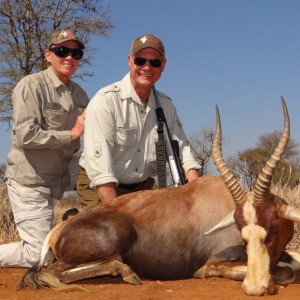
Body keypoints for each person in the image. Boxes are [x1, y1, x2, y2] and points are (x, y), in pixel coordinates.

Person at [77, 33, 201, 207]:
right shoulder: (106, 100)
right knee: (112, 232)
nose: (147, 67)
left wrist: (197, 193)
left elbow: (184, 153)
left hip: (142, 189)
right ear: (130, 61)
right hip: (99, 186)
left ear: (163, 65)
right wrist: (116, 214)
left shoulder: (166, 106)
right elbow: (100, 169)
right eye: (140, 60)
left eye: (155, 62)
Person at [1, 29, 89, 267]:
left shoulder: (80, 94)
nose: (69, 57)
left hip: (59, 181)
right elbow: (25, 136)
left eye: (76, 52)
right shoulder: (31, 85)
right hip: (30, 182)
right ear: (48, 55)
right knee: (36, 256)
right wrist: (70, 134)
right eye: (62, 51)